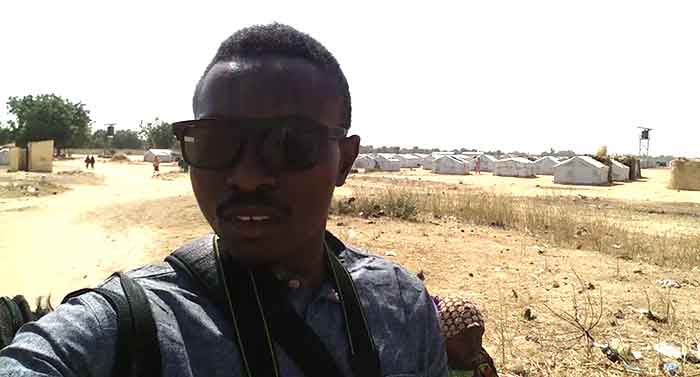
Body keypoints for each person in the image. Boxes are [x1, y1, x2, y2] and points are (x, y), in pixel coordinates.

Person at [0, 23, 447, 377]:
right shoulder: (131, 325)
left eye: (291, 144)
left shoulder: (402, 306)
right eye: (214, 142)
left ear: (345, 161)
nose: (248, 177)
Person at [434, 295, 498, 377]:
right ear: (445, 338)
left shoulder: (482, 362)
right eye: (464, 340)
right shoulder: (432, 365)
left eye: (478, 338)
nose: (474, 347)